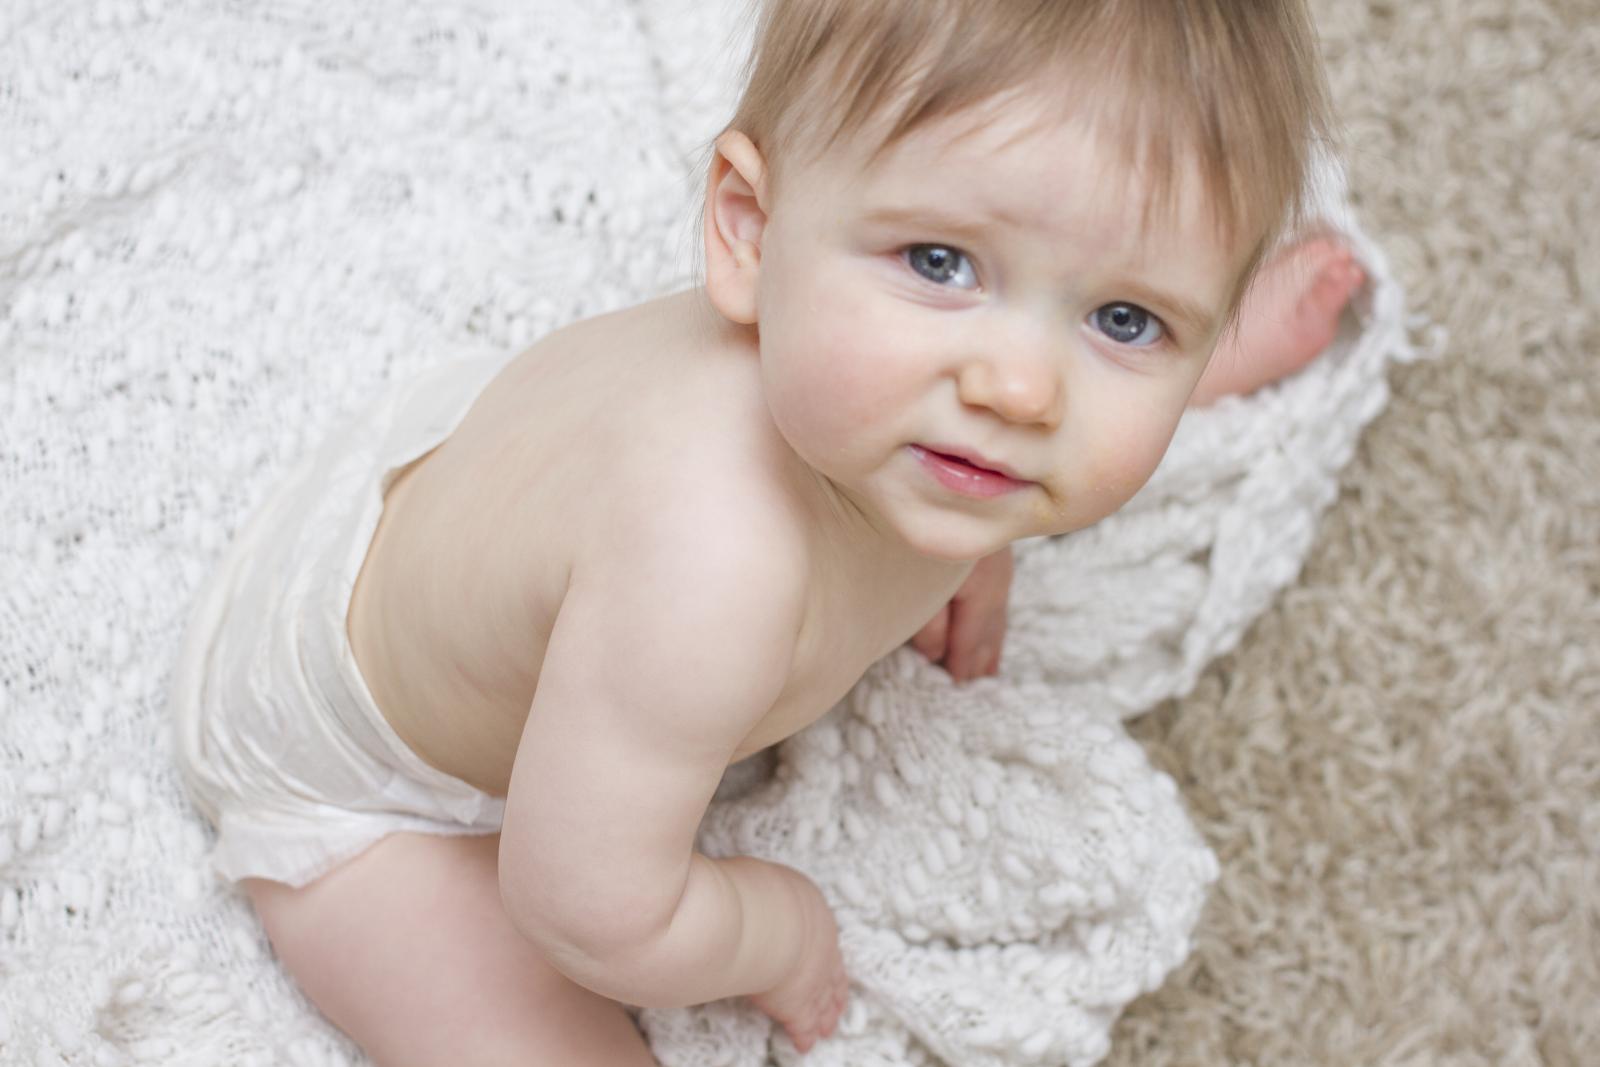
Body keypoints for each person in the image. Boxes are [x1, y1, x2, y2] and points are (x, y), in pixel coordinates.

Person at [170, 0, 1363, 1061]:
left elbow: (1023, 391)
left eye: (1127, 318)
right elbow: (583, 903)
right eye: (941, 263)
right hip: (349, 770)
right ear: (746, 230)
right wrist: (770, 927)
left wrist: (987, 529)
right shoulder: (712, 568)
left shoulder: (909, 405)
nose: (1019, 388)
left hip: (462, 482)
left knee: (1053, 405)